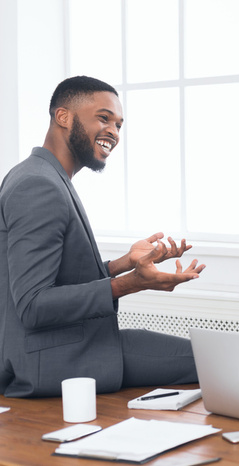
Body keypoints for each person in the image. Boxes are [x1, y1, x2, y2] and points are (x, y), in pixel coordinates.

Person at [0, 76, 206, 398]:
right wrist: (133, 282)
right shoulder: (39, 185)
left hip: (74, 343)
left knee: (217, 355)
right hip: (52, 359)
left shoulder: (43, 176)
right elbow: (33, 304)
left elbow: (56, 276)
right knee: (221, 359)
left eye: (119, 125)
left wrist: (123, 264)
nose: (114, 131)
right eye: (104, 118)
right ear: (63, 117)